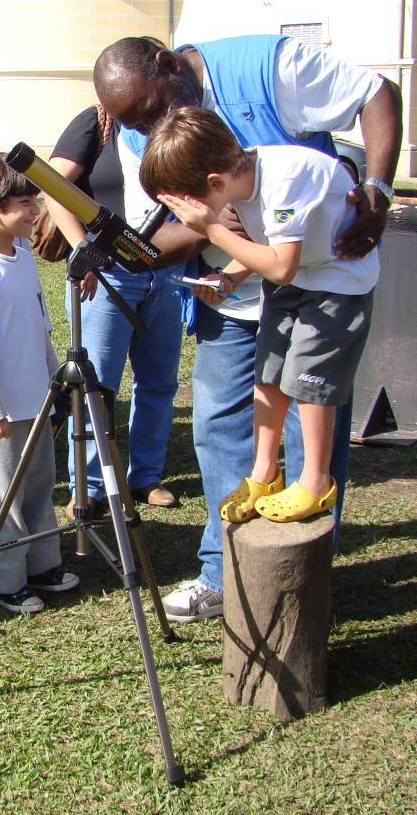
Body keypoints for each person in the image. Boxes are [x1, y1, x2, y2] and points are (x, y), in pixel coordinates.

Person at [90, 34, 401, 622]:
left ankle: (303, 589)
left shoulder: (269, 66)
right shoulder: (141, 133)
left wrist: (377, 191)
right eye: (133, 122)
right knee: (221, 425)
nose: (147, 127)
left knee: (311, 421)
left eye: (151, 108)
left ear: (165, 64)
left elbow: (377, 95)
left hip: (318, 287)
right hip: (233, 298)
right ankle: (224, 573)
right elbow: (171, 227)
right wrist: (152, 248)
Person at [142, 107, 378, 522]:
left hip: (337, 282)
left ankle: (316, 482)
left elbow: (281, 264)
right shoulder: (239, 181)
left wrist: (211, 229)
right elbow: (267, 249)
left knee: (309, 382)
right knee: (268, 374)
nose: (183, 219)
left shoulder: (284, 179)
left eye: (184, 207)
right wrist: (229, 278)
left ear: (214, 183)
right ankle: (264, 472)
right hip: (298, 277)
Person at [0, 154, 79, 614]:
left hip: (36, 402)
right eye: (25, 204)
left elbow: (41, 328)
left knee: (40, 485)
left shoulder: (23, 261)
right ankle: (4, 579)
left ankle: (43, 563)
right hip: (1, 413)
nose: (34, 213)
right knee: (2, 495)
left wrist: (54, 383)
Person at [45, 100, 182, 519]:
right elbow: (53, 187)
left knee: (159, 381)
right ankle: (86, 485)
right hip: (107, 274)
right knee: (95, 387)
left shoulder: (176, 117)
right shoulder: (96, 121)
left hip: (167, 270)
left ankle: (145, 476)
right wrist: (84, 248)